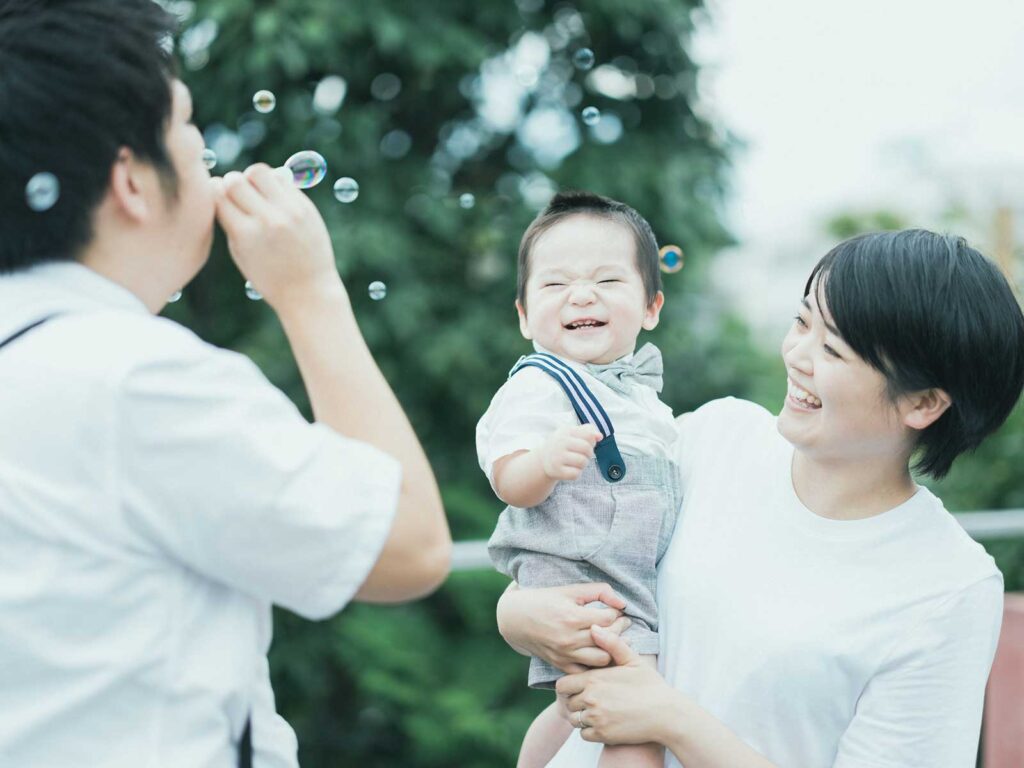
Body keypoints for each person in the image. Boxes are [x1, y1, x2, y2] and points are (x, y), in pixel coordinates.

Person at [0, 1, 450, 766]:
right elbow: (410, 546)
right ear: (131, 181)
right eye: (184, 122)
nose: (205, 148)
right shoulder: (138, 380)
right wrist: (310, 294)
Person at [497, 229, 1024, 767]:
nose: (798, 355)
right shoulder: (711, 438)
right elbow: (567, 559)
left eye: (833, 348)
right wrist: (515, 613)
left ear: (924, 402)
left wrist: (674, 720)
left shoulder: (950, 587)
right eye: (801, 322)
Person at [477, 191, 679, 768]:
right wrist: (543, 463)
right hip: (581, 581)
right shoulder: (537, 388)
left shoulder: (645, 400)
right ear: (522, 316)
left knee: (576, 705)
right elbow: (507, 480)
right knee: (638, 719)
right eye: (555, 283)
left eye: (607, 281)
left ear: (651, 307)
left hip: (622, 578)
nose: (582, 294)